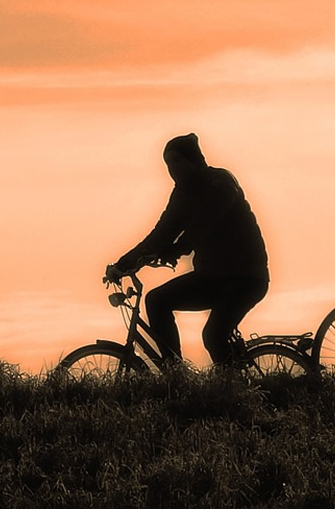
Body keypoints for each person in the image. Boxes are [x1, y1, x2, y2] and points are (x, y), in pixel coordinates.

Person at [109, 133, 270, 368]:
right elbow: (161, 233)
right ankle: (176, 375)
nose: (171, 169)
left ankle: (235, 392)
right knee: (157, 301)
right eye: (167, 164)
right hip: (212, 277)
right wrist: (122, 265)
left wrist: (176, 250)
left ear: (193, 160)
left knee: (214, 335)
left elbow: (206, 224)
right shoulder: (181, 194)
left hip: (245, 278)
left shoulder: (220, 182)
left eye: (176, 161)